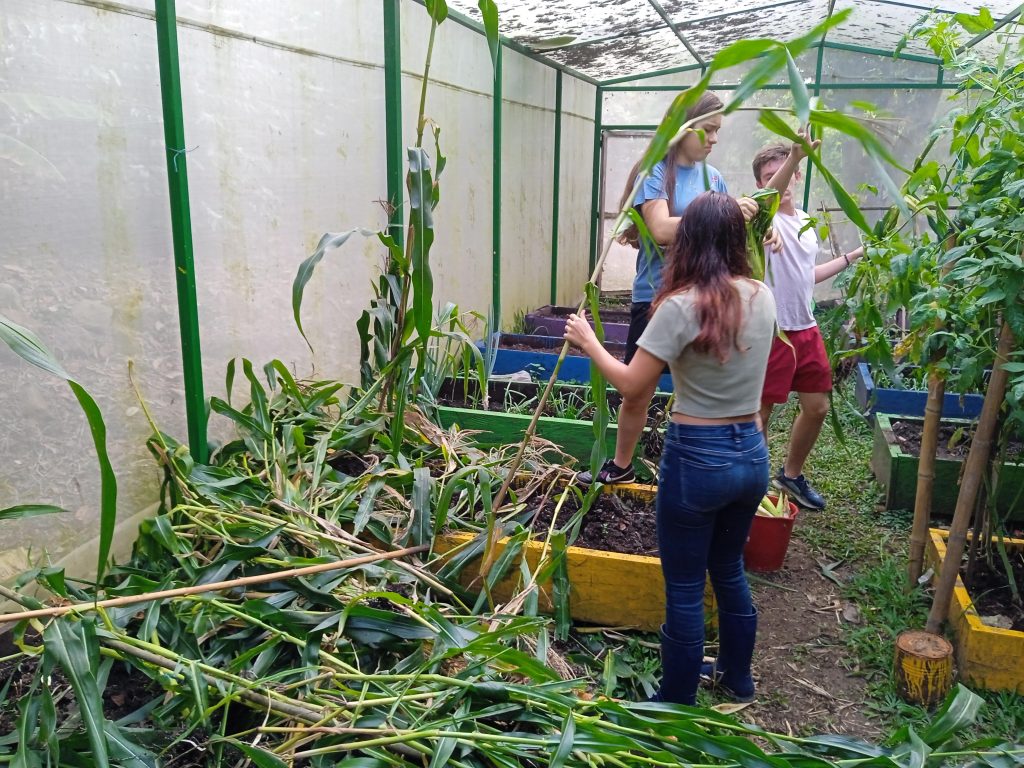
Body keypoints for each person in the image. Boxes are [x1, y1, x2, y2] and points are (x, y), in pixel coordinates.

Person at [564, 192, 777, 705]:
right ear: (737, 239)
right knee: (728, 567)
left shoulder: (681, 307)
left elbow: (632, 386)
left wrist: (589, 342)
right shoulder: (762, 296)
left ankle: (675, 699)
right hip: (751, 453)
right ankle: (737, 679)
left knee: (683, 584)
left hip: (698, 457)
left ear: (687, 241)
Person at [580, 93, 812, 485]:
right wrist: (725, 212)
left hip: (703, 299)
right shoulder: (656, 172)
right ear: (683, 127)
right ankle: (621, 465)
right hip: (656, 297)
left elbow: (733, 224)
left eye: (718, 131)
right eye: (708, 130)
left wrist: (757, 226)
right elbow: (660, 228)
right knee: (637, 392)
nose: (714, 139)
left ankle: (696, 464)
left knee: (701, 388)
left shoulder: (714, 178)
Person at [752, 144, 864, 510]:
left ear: (798, 176)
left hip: (805, 327)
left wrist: (850, 258)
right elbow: (760, 214)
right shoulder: (763, 221)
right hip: (773, 331)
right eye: (770, 177)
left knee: (816, 407)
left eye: (785, 172)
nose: (780, 182)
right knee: (761, 412)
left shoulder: (804, 221)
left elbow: (806, 275)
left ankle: (791, 475)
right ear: (761, 184)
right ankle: (752, 485)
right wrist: (796, 156)